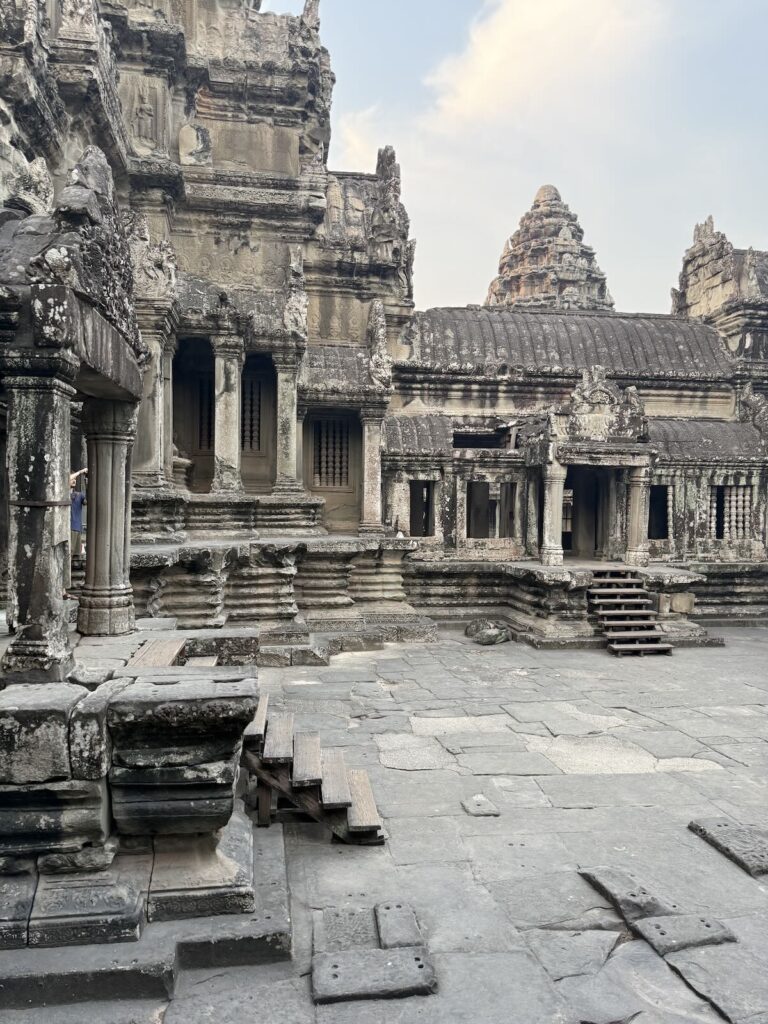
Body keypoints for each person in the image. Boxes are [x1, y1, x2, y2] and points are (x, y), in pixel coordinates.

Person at [70, 470, 87, 559]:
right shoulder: (63, 493)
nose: (74, 480)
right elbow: (66, 480)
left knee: (75, 556)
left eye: (75, 479)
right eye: (72, 478)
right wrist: (80, 472)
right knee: (68, 554)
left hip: (76, 528)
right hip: (68, 528)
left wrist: (86, 481)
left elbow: (87, 501)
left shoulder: (79, 495)